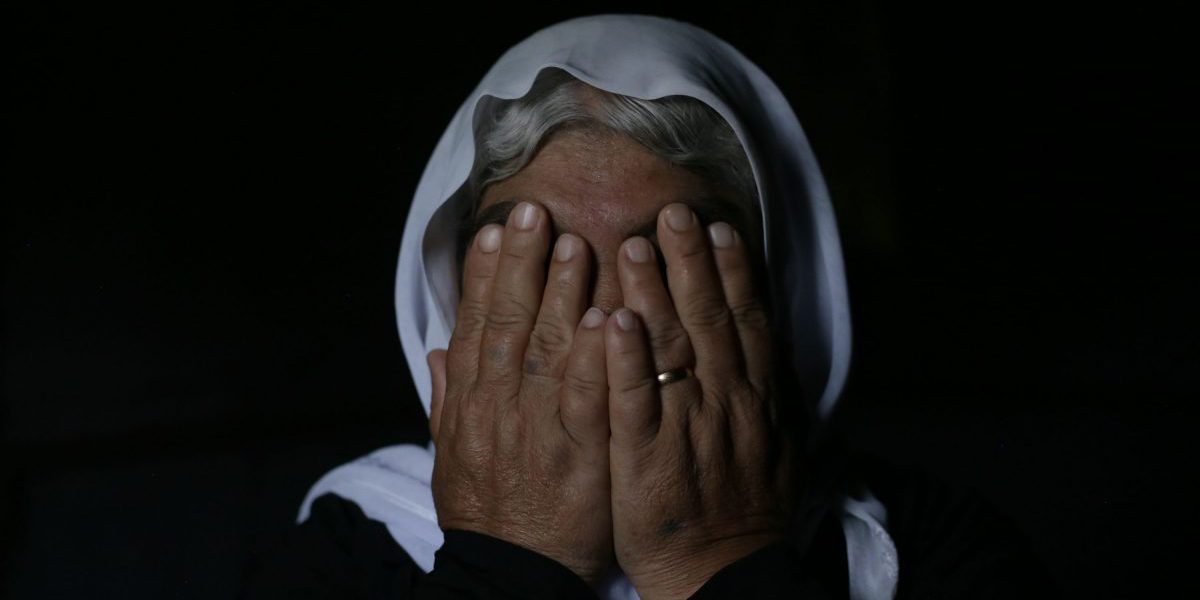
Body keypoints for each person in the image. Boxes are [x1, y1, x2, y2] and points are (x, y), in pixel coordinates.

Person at [241, 15, 1052, 599]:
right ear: (452, 294)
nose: (596, 323)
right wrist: (508, 555)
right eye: (537, 261)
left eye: (666, 259)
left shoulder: (935, 547)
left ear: (773, 291)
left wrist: (716, 558)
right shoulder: (345, 551)